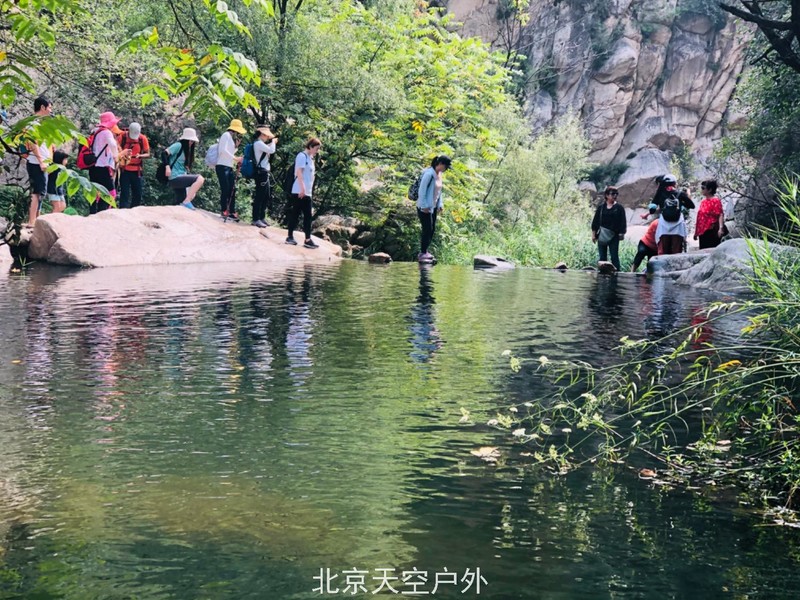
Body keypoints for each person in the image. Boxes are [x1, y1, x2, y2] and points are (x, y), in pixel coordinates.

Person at [285, 137, 322, 249]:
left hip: (307, 192)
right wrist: (302, 188)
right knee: (295, 213)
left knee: (308, 216)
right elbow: (299, 172)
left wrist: (309, 190)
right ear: (310, 147)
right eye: (316, 148)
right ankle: (290, 236)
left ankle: (307, 239)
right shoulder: (302, 156)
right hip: (299, 191)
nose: (317, 151)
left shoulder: (310, 159)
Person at [416, 154, 451, 262]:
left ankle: (425, 251)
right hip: (424, 207)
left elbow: (439, 191)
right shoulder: (429, 174)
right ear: (440, 164)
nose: (446, 169)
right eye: (446, 166)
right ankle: (423, 253)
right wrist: (424, 206)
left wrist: (440, 204)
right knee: (427, 229)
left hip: (433, 207)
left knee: (432, 229)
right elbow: (422, 191)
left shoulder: (439, 175)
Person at [25, 96, 54, 227]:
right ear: (42, 107)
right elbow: (33, 143)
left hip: (41, 162)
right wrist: (41, 161)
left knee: (40, 191)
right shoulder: (33, 123)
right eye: (49, 107)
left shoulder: (41, 123)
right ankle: (31, 221)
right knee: (36, 192)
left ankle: (36, 219)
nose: (51, 110)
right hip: (36, 163)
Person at [652, 174, 695, 255]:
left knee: (665, 251)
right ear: (674, 183)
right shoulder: (680, 194)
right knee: (677, 251)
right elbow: (692, 206)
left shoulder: (660, 194)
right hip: (678, 226)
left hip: (664, 226)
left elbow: (652, 209)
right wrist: (681, 202)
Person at [88, 111, 120, 215]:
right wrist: (116, 156)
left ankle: (93, 212)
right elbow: (113, 145)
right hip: (103, 166)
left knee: (95, 190)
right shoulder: (106, 132)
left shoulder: (95, 131)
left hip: (93, 165)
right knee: (110, 192)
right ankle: (103, 213)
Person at [163, 127, 204, 209]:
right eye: (190, 141)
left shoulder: (187, 150)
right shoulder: (178, 145)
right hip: (175, 176)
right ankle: (187, 201)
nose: (191, 143)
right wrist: (167, 167)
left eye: (193, 141)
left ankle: (183, 202)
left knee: (185, 198)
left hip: (180, 176)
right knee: (200, 179)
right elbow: (164, 154)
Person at [591, 185, 627, 271]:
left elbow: (623, 221)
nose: (615, 195)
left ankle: (616, 275)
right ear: (607, 195)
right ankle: (602, 275)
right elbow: (595, 221)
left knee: (614, 257)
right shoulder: (601, 207)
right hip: (602, 234)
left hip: (614, 235)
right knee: (602, 257)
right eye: (613, 194)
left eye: (616, 194)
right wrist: (593, 234)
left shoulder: (619, 208)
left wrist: (622, 233)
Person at [216, 118, 246, 221]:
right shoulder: (226, 135)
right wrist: (235, 158)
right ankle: (224, 210)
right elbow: (222, 150)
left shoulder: (230, 138)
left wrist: (236, 147)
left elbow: (229, 152)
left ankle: (232, 211)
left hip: (229, 166)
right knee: (225, 189)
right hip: (222, 166)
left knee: (232, 188)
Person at [117, 122, 150, 209]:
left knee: (138, 193)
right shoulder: (122, 137)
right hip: (124, 169)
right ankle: (123, 210)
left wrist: (140, 156)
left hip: (137, 170)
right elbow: (117, 151)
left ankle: (135, 210)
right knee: (124, 193)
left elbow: (148, 154)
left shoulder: (142, 139)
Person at [251, 125, 277, 228]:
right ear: (262, 134)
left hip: (264, 172)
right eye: (266, 135)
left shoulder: (260, 144)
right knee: (260, 196)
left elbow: (268, 149)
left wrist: (271, 143)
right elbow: (271, 150)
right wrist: (273, 142)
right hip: (261, 172)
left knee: (266, 196)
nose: (267, 137)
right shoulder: (258, 143)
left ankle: (261, 217)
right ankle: (256, 219)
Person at [694, 179, 725, 249]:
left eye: (703, 188)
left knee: (711, 250)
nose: (701, 190)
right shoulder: (703, 202)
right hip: (702, 232)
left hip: (711, 230)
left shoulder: (715, 201)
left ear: (710, 190)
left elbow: (720, 214)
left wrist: (721, 228)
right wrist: (696, 232)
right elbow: (699, 218)